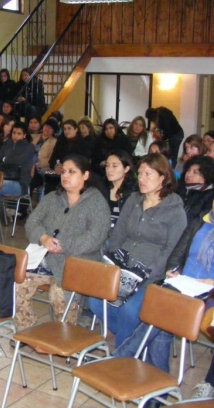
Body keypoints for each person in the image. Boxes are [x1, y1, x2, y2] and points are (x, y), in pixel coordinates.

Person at [111, 196, 214, 399]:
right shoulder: (200, 222)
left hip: (209, 293)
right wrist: (173, 270)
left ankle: (125, 353)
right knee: (164, 314)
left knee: (164, 310)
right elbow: (177, 253)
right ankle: (160, 390)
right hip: (182, 284)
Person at [88, 153, 187, 348]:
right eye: (140, 174)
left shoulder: (175, 211)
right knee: (95, 302)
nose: (141, 179)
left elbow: (172, 251)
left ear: (163, 177)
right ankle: (133, 341)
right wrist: (118, 264)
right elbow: (118, 234)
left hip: (150, 276)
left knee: (129, 311)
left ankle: (122, 356)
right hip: (123, 269)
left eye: (148, 174)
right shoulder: (133, 200)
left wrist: (145, 273)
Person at [18, 154, 110, 329]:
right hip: (47, 260)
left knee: (59, 294)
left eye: (72, 172)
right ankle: (26, 330)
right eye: (64, 172)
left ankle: (65, 337)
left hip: (79, 262)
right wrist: (43, 237)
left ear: (85, 175)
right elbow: (32, 221)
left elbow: (95, 238)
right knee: (19, 281)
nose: (65, 176)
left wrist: (63, 246)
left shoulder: (97, 202)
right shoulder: (53, 197)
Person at [0, 122, 35, 238]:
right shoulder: (6, 144)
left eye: (19, 133)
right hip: (4, 180)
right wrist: (7, 159)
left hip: (20, 184)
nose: (16, 136)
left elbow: (21, 161)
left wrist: (6, 159)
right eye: (14, 133)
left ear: (24, 135)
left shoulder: (29, 147)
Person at [44, 120, 89, 195]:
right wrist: (56, 166)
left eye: (69, 128)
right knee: (49, 180)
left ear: (76, 129)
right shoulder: (61, 142)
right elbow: (52, 159)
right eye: (64, 129)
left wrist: (64, 167)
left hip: (74, 173)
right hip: (58, 172)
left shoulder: (83, 144)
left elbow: (83, 162)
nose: (66, 131)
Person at [98, 150, 137, 229]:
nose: (109, 169)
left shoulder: (134, 191)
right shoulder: (100, 188)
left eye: (114, 166)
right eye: (107, 165)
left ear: (126, 169)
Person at [177, 155, 214, 223]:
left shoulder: (210, 197)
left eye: (195, 172)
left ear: (205, 176)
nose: (189, 174)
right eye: (188, 170)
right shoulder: (179, 188)